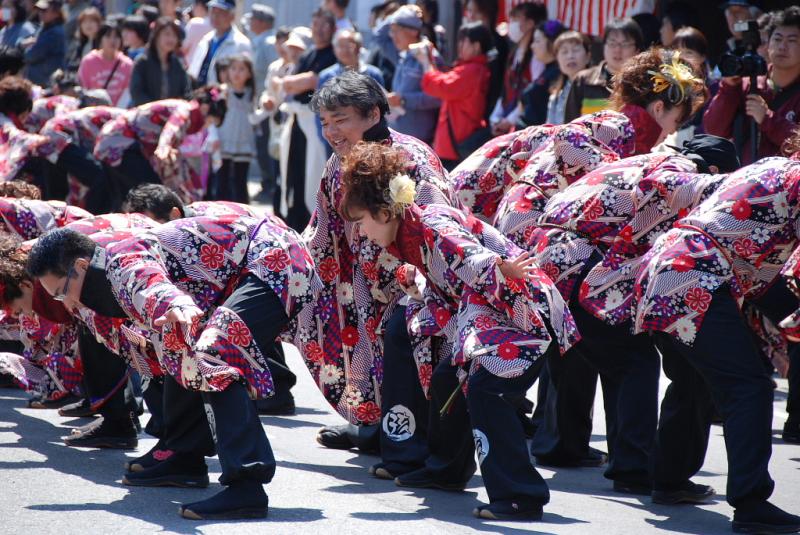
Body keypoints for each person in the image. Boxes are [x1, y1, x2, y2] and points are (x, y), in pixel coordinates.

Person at [339, 141, 577, 521]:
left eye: (363, 222)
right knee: (449, 378)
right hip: (492, 314)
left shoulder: (429, 224)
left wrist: (500, 266)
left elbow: (470, 255)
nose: (363, 233)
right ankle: (446, 470)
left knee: (487, 391)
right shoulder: (412, 231)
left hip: (519, 310)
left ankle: (520, 496)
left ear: (384, 212)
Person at [28, 210, 321, 519]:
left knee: (214, 352)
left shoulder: (120, 262)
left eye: (61, 292)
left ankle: (247, 486)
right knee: (174, 347)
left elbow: (149, 282)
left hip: (275, 258)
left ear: (80, 266)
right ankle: (185, 456)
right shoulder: (94, 267)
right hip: (237, 273)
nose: (67, 303)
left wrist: (174, 304)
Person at [631, 155, 800, 534]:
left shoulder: (768, 166)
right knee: (748, 387)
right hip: (698, 276)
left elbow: (689, 191)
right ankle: (751, 501)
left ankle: (669, 479)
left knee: (693, 380)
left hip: (665, 266)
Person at [295, 71, 454, 453]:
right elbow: (321, 227)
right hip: (361, 283)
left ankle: (417, 442)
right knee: (340, 333)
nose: (332, 132)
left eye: (341, 119)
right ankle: (373, 424)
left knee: (413, 356)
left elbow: (439, 224)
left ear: (373, 114)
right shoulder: (338, 163)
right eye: (326, 123)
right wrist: (290, 269)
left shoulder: (410, 158)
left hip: (415, 281)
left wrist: (419, 280)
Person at [93, 86, 226, 209]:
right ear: (205, 108)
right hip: (119, 144)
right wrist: (164, 146)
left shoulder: (183, 109)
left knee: (122, 196)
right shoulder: (186, 110)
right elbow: (172, 128)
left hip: (118, 144)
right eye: (211, 121)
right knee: (154, 193)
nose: (207, 126)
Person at [703, 6, 800, 164]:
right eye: (777, 39)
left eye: (792, 40)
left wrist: (768, 118)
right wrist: (728, 87)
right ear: (767, 45)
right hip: (742, 182)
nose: (782, 46)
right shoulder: (747, 84)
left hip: (787, 185)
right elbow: (714, 130)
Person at [277, 8, 336, 230]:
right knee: (293, 172)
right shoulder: (309, 54)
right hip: (296, 120)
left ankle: (313, 223)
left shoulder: (332, 54)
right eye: (316, 25)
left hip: (316, 122)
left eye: (324, 25)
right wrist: (294, 82)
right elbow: (289, 84)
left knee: (313, 174)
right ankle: (294, 222)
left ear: (332, 28)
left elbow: (308, 82)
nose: (319, 30)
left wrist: (296, 82)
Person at [418, 22, 491, 170]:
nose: (459, 45)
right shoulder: (475, 69)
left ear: (476, 46)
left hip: (455, 146)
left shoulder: (472, 70)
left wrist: (426, 62)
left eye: (464, 41)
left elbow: (440, 86)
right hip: (458, 142)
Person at [609, 48, 706, 155]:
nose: (673, 131)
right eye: (676, 120)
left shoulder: (608, 132)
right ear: (658, 108)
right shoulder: (630, 153)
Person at [379, 4, 442, 146]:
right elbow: (379, 37)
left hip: (420, 143)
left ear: (413, 31)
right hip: (400, 140)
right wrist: (399, 13)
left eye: (397, 31)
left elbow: (437, 98)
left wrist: (403, 100)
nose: (393, 37)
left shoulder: (429, 56)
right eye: (392, 31)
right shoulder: (404, 54)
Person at [564, 17, 643, 123]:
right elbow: (569, 126)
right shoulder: (583, 80)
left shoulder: (641, 85)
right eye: (612, 43)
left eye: (625, 44)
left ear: (637, 50)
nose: (617, 50)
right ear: (603, 46)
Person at [317, 29, 384, 152]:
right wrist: (327, 141)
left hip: (372, 141)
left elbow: (382, 108)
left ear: (359, 47)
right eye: (339, 46)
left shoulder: (373, 74)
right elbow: (320, 115)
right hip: (337, 142)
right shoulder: (327, 76)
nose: (344, 50)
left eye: (348, 45)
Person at [489, 1, 547, 137]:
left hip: (524, 126)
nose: (511, 24)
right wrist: (496, 118)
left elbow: (532, 95)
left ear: (530, 23)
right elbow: (505, 91)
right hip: (506, 121)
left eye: (516, 19)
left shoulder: (536, 57)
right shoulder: (514, 53)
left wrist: (509, 121)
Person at [208, 54, 255, 203]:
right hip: (223, 142)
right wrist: (213, 137)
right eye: (233, 68)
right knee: (222, 180)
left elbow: (255, 117)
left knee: (241, 181)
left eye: (241, 69)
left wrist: (267, 109)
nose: (236, 73)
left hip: (243, 142)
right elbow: (212, 118)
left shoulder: (251, 94)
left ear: (249, 74)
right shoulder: (221, 92)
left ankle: (243, 215)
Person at [188, 0, 251, 86]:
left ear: (232, 16)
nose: (215, 16)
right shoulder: (206, 39)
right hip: (200, 93)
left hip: (224, 95)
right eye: (213, 12)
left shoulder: (241, 43)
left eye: (221, 13)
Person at [130, 17, 191, 106]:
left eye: (174, 36)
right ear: (156, 36)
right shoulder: (142, 62)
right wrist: (156, 109)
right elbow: (137, 93)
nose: (171, 39)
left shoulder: (177, 64)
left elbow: (186, 91)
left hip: (173, 115)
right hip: (147, 115)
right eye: (167, 34)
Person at [463, 0, 507, 123]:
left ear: (488, 13)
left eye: (476, 12)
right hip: (468, 110)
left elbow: (496, 84)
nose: (471, 16)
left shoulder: (497, 43)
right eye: (469, 11)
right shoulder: (468, 40)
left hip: (488, 113)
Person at [517, 20, 565, 128]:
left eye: (537, 41)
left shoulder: (559, 74)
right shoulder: (547, 70)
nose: (532, 46)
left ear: (552, 42)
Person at [77, 21, 134, 107]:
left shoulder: (127, 64)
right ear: (100, 39)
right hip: (94, 112)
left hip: (118, 112)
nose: (112, 40)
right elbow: (84, 89)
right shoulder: (88, 62)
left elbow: (128, 93)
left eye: (116, 37)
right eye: (108, 36)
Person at [546, 30, 591, 125]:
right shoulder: (556, 96)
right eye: (564, 52)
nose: (570, 56)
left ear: (588, 56)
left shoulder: (596, 88)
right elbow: (550, 129)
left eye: (575, 50)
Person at [21, 0, 65, 86]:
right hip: (39, 80)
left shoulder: (55, 32)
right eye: (40, 10)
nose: (40, 13)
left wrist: (23, 48)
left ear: (56, 13)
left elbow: (31, 55)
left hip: (46, 82)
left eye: (44, 10)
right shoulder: (44, 28)